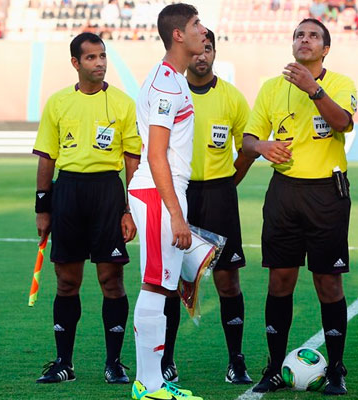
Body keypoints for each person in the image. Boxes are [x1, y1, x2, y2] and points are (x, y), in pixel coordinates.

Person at [242, 18, 358, 396]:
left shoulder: (340, 83)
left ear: (325, 48)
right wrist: (261, 147)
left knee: (328, 282)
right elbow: (248, 139)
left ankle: (337, 369)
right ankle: (274, 368)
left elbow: (343, 123)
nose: (303, 40)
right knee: (280, 281)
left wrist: (314, 89)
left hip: (328, 193)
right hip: (284, 193)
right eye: (298, 35)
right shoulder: (271, 87)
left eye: (312, 36)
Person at [32, 32, 141, 385]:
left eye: (103, 56)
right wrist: (43, 207)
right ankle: (64, 362)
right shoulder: (58, 103)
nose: (100, 63)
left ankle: (114, 362)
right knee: (67, 281)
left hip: (107, 194)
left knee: (111, 279)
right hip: (68, 193)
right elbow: (47, 157)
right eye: (91, 58)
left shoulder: (123, 103)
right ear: (76, 63)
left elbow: (132, 161)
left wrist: (129, 209)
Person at [159, 28, 254, 385]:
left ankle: (236, 361)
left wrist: (228, 184)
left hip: (219, 195)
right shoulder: (171, 91)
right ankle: (166, 358)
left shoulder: (231, 97)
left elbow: (246, 147)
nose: (202, 55)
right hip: (179, 195)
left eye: (209, 49)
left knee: (228, 281)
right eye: (198, 49)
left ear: (214, 52)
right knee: (170, 279)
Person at [127, 3, 207, 400]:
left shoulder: (175, 79)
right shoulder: (164, 85)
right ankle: (148, 384)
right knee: (156, 286)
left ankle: (153, 380)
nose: (203, 30)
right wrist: (176, 215)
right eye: (196, 24)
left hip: (168, 191)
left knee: (163, 286)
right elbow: (155, 154)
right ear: (178, 34)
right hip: (159, 192)